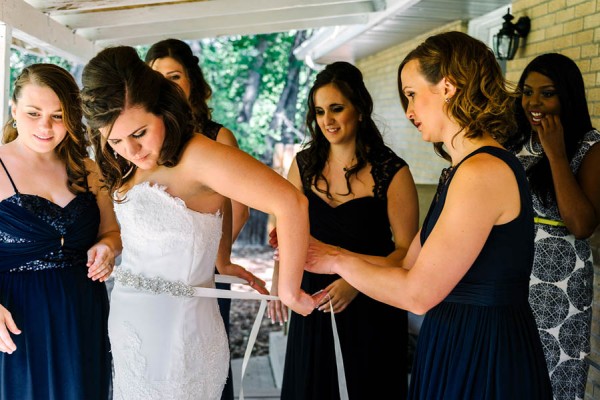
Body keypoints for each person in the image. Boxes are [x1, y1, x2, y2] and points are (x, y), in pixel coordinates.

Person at [304, 31, 553, 399]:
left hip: (483, 350)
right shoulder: (461, 169)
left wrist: (337, 260)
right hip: (453, 340)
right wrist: (317, 253)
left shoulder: (482, 171)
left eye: (411, 94)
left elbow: (417, 295)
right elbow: (407, 264)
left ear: (447, 87)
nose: (408, 112)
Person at [80, 45, 323, 399]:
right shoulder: (128, 163)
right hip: (129, 322)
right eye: (115, 140)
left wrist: (288, 288)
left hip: (183, 333)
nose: (130, 150)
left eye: (140, 133)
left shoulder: (197, 155)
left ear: (162, 109)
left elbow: (291, 202)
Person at [268, 61, 419, 399]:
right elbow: (287, 233)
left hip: (372, 301)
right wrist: (280, 281)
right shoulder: (303, 165)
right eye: (320, 111)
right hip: (312, 300)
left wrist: (355, 281)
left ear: (361, 110)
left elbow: (407, 251)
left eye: (337, 108)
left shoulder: (393, 172)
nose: (327, 120)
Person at [0, 63, 121, 399]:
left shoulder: (89, 169)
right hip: (14, 316)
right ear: (13, 110)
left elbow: (112, 232)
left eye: (57, 115)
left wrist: (108, 249)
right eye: (33, 113)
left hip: (81, 310)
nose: (45, 126)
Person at [145, 38, 257, 400]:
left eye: (174, 76)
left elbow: (239, 207)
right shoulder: (140, 140)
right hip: (152, 278)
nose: (164, 84)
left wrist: (216, 255)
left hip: (203, 273)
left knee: (204, 370)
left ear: (192, 80)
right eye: (155, 77)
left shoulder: (217, 136)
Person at [508, 53, 600, 399]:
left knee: (552, 374)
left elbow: (581, 225)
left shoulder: (591, 146)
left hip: (558, 283)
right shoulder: (514, 142)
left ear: (568, 96)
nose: (534, 102)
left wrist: (557, 155)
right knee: (510, 369)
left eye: (547, 93)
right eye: (527, 92)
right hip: (511, 274)